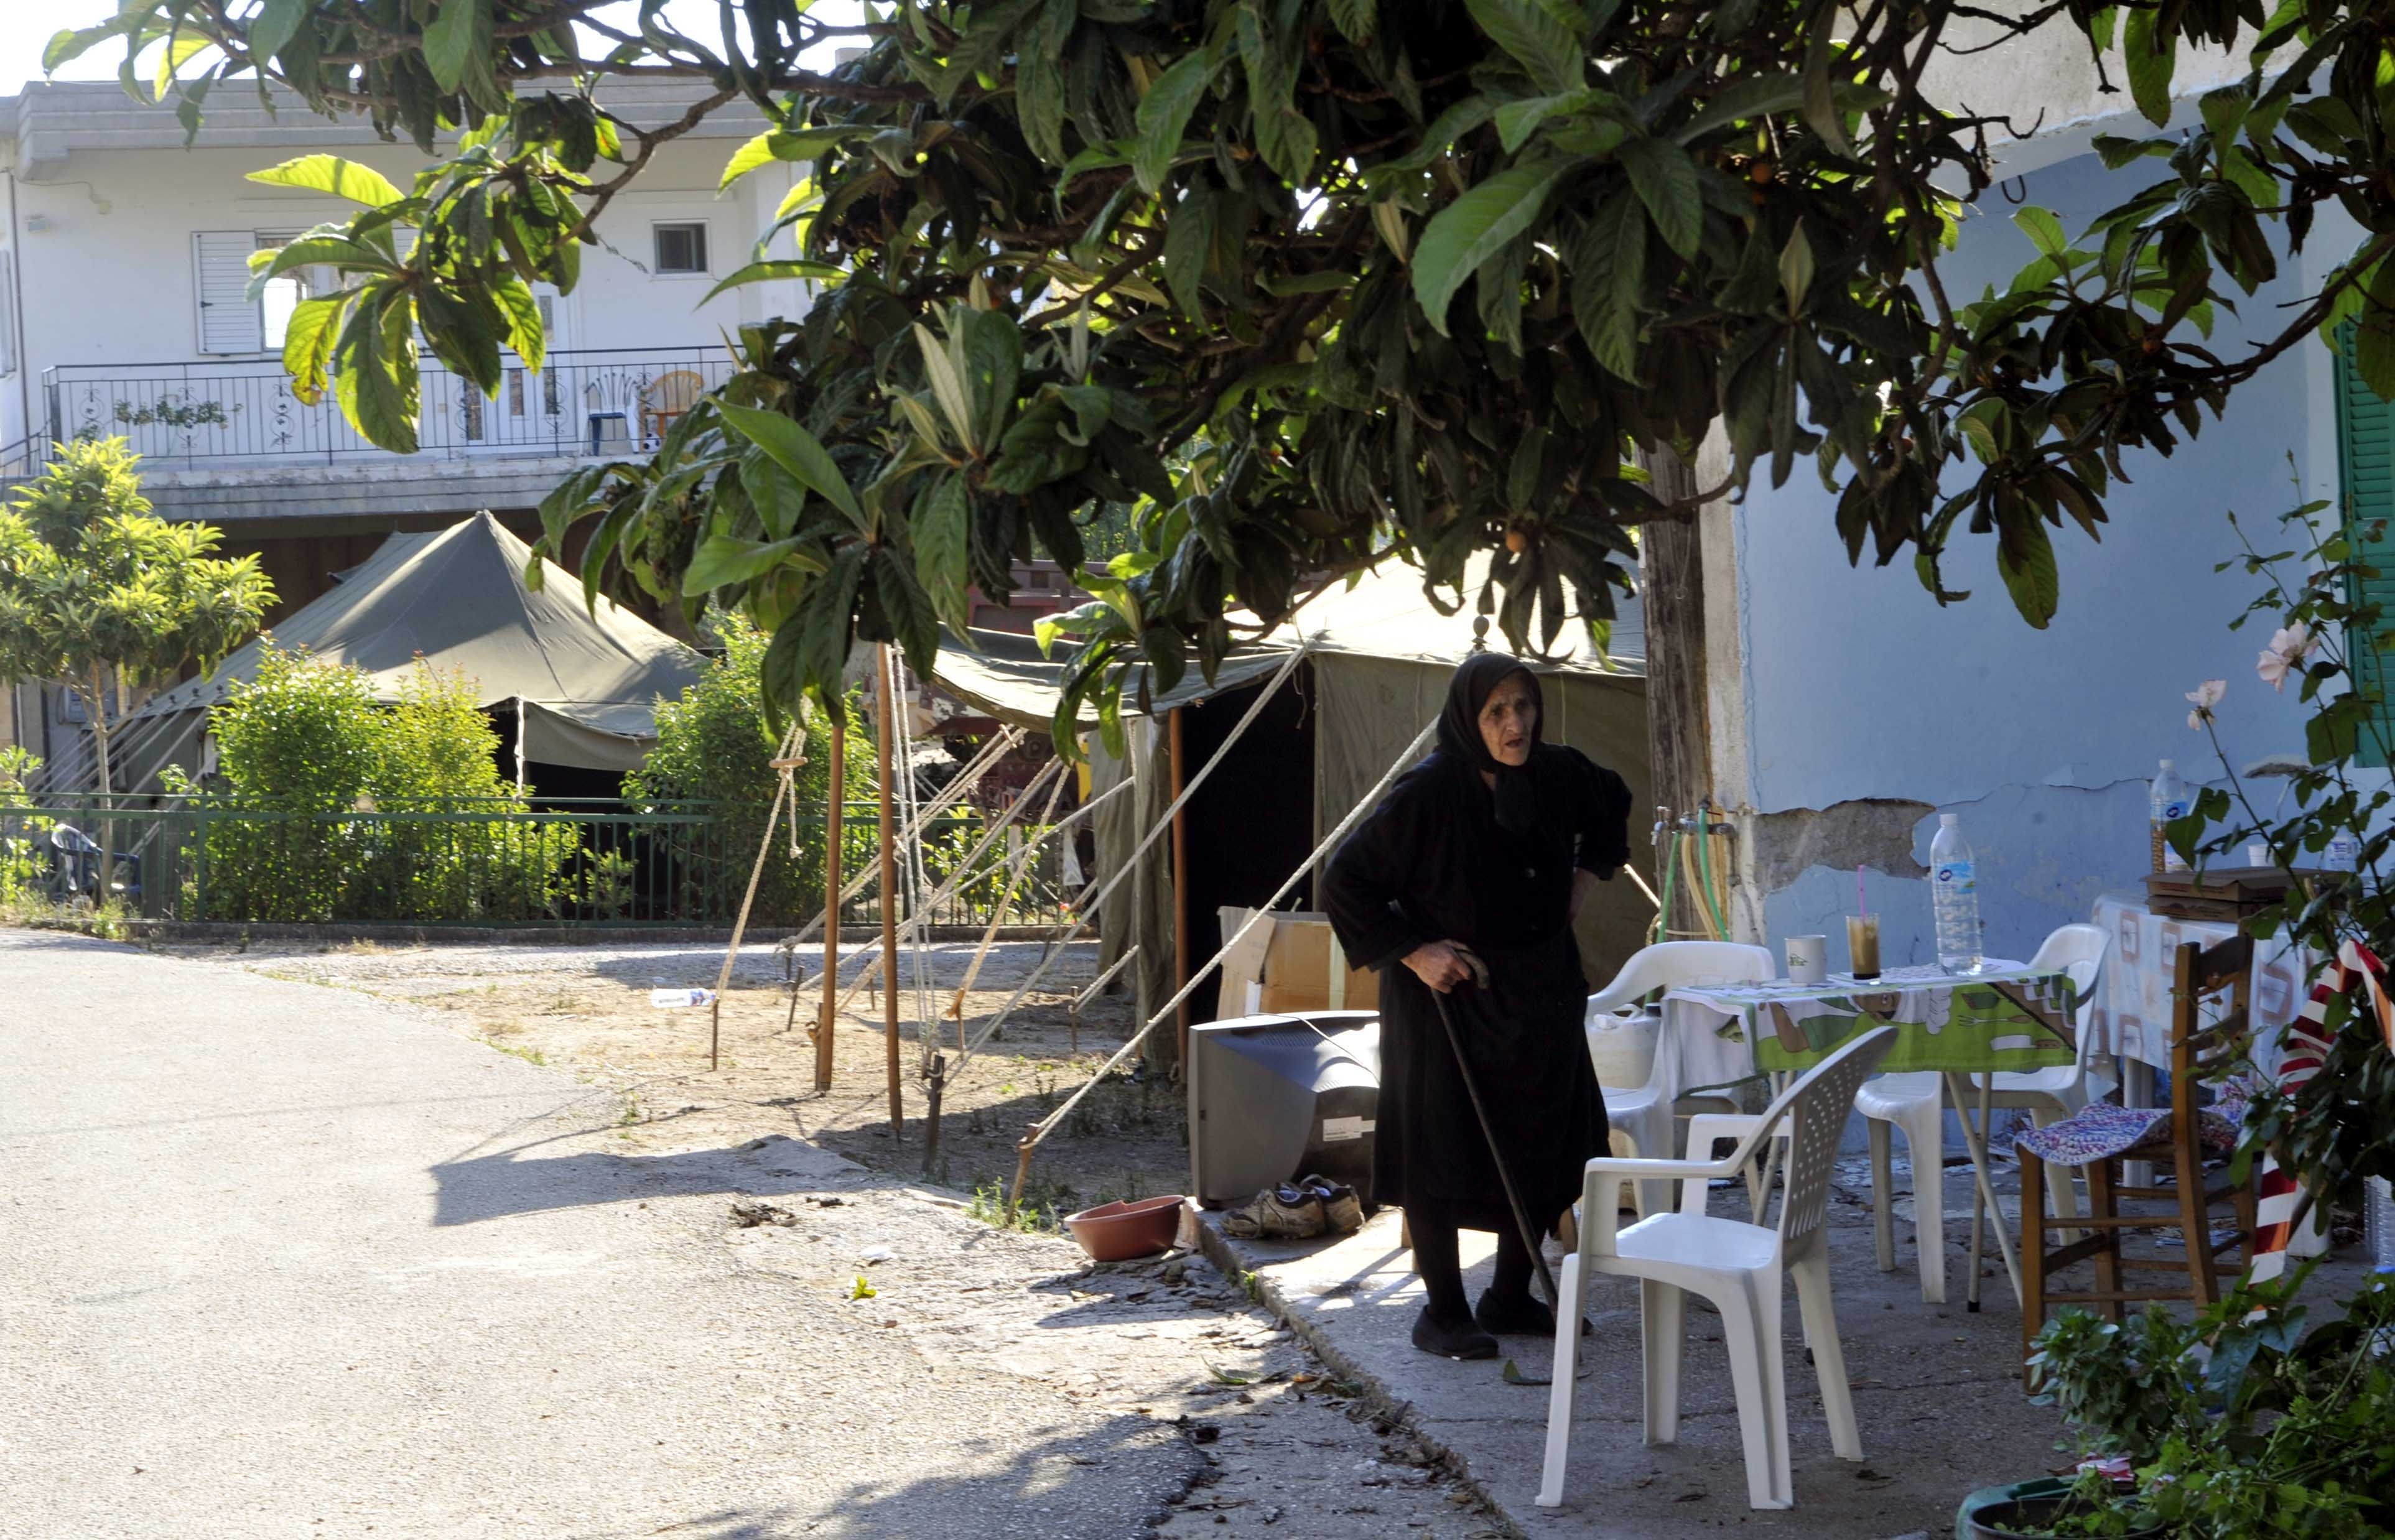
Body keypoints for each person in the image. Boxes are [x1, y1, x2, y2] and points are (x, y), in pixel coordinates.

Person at [1320, 652, 1630, 1359]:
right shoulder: (1428, 793)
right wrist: (1417, 951)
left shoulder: (1557, 773)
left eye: (1522, 706)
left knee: (1548, 1139)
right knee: (1441, 1148)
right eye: (1496, 711)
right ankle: (1443, 1311)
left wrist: (1582, 880)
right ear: (1470, 717)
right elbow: (1345, 880)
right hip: (1447, 1000)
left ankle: (1509, 1296)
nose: (1514, 723)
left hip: (1539, 990)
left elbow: (1612, 801)